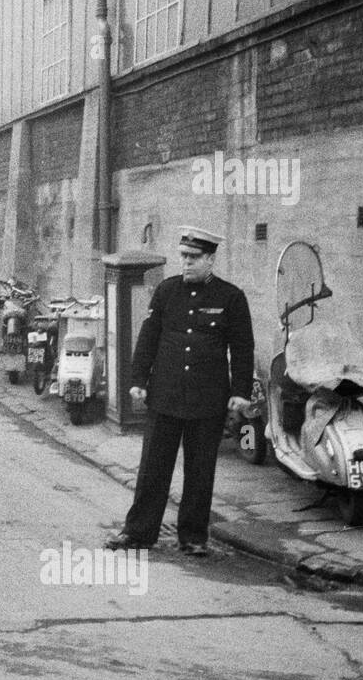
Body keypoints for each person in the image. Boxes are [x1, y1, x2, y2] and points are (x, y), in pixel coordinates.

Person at [106, 226, 255, 557]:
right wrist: (137, 380)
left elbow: (242, 347)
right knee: (152, 469)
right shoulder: (166, 291)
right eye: (183, 256)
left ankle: (193, 537)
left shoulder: (230, 297)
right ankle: (138, 532)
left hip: (208, 399)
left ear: (210, 259)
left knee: (200, 472)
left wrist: (241, 390)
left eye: (193, 257)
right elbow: (148, 337)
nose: (186, 262)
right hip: (165, 396)